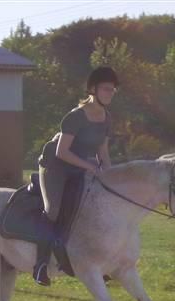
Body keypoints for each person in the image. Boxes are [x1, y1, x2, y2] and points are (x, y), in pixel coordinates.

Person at [33, 66, 118, 286]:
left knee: (97, 207)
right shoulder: (75, 116)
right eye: (106, 89)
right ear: (93, 89)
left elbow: (103, 153)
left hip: (81, 167)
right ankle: (40, 265)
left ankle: (97, 262)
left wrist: (111, 177)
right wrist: (89, 167)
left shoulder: (107, 117)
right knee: (53, 210)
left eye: (113, 90)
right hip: (55, 167)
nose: (110, 93)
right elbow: (62, 152)